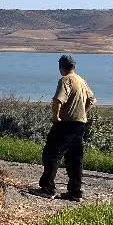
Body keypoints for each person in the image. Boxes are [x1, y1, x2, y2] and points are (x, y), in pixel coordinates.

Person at [39, 54, 96, 201]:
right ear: (74, 66)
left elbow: (58, 100)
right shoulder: (81, 80)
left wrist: (55, 117)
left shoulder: (66, 80)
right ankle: (75, 192)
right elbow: (92, 100)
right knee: (74, 158)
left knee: (51, 154)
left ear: (61, 67)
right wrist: (83, 113)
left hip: (66, 124)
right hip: (80, 124)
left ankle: (47, 189)